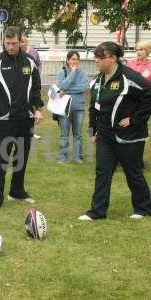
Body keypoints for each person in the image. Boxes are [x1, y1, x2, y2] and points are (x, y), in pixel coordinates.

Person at [79, 41, 151, 221]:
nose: (96, 61)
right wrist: (94, 130)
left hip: (129, 137)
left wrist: (134, 119)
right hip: (105, 136)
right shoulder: (98, 80)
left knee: (133, 173)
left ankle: (143, 208)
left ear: (112, 58)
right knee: (102, 172)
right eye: (95, 58)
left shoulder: (130, 77)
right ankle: (97, 211)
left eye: (100, 58)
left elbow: (148, 95)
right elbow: (94, 107)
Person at [0, 26, 43, 213]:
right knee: (2, 159)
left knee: (21, 156)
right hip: (3, 119)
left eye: (14, 43)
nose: (10, 47)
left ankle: (17, 191)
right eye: (7, 43)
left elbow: (35, 88)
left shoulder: (30, 62)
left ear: (20, 41)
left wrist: (37, 108)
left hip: (25, 119)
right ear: (3, 42)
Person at [55, 51, 88, 164]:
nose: (75, 61)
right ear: (68, 60)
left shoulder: (83, 73)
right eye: (73, 59)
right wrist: (73, 73)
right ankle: (62, 157)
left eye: (77, 59)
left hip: (79, 108)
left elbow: (82, 88)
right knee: (64, 134)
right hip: (64, 108)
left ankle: (77, 157)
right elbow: (61, 86)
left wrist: (66, 90)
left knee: (78, 134)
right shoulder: (61, 72)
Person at [21, 36, 42, 140]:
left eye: (23, 41)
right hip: (22, 90)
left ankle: (32, 133)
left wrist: (38, 75)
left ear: (27, 43)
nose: (22, 43)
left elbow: (38, 64)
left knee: (33, 112)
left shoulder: (33, 52)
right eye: (20, 41)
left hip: (32, 88)